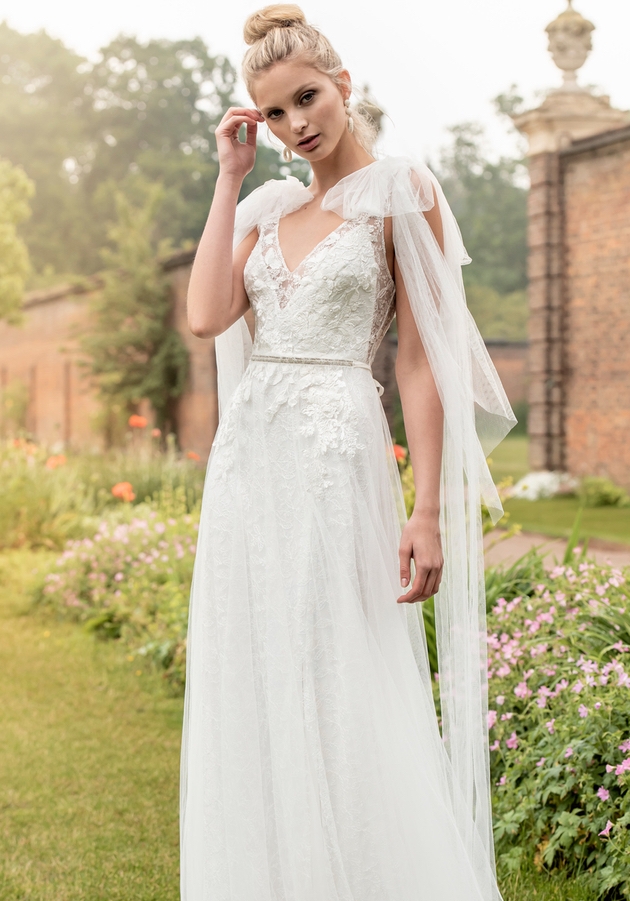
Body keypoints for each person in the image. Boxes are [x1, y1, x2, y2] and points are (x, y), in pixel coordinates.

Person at [180, 5, 516, 899]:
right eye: (275, 113)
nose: (297, 124)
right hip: (251, 459)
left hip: (339, 452)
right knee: (257, 662)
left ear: (343, 84)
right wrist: (228, 178)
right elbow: (207, 314)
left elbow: (420, 359)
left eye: (307, 98)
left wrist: (427, 508)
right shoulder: (269, 205)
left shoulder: (403, 192)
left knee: (340, 660)